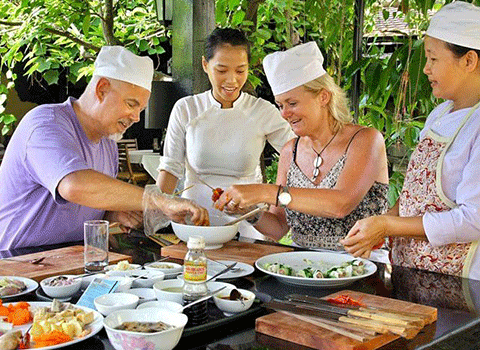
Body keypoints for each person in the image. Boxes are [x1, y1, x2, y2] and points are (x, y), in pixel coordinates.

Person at [0, 46, 209, 250]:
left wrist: (111, 214)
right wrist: (159, 201)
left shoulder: (109, 143)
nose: (136, 118)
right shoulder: (45, 123)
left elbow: (86, 202)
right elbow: (74, 185)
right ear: (101, 89)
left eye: (141, 109)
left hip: (72, 260)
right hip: (16, 263)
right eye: (131, 104)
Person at [341, 1, 480, 281]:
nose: (426, 69)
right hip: (414, 272)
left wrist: (388, 225)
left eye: (433, 59)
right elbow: (414, 196)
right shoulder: (440, 114)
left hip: (460, 282)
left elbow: (473, 220)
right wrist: (380, 227)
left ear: (469, 61)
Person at [214, 41, 389, 249]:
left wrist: (265, 192)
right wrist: (247, 212)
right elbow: (278, 228)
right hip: (300, 265)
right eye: (280, 105)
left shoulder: (365, 140)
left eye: (292, 103)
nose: (284, 114)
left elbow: (340, 205)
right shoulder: (291, 150)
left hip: (360, 267)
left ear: (323, 97)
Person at [156, 28, 294, 239]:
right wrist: (155, 213)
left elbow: (298, 153)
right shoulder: (186, 109)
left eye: (240, 71)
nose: (231, 80)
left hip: (247, 224)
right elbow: (170, 170)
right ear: (205, 65)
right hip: (195, 224)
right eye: (221, 70)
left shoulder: (262, 111)